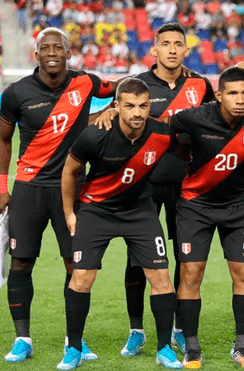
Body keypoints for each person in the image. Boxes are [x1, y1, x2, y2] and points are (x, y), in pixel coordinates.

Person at [0, 27, 118, 363]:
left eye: (58, 47)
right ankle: (23, 339)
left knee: (75, 264)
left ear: (68, 52)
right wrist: (1, 188)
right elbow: (3, 140)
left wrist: (113, 108)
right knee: (21, 262)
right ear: (36, 54)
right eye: (45, 47)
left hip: (73, 189)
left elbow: (122, 88)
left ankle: (74, 341)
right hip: (29, 190)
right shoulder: (16, 93)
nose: (52, 52)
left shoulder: (88, 82)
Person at [57, 77, 182, 370]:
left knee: (161, 278)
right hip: (96, 212)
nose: (137, 113)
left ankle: (164, 348)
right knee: (82, 278)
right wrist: (69, 214)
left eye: (142, 106)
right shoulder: (95, 135)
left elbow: (184, 152)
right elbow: (69, 171)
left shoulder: (162, 134)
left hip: (140, 212)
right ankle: (73, 348)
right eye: (129, 106)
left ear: (150, 106)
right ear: (116, 106)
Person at [168, 67, 244, 369]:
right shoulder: (196, 116)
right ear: (219, 95)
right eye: (232, 94)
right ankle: (191, 348)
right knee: (191, 274)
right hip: (196, 206)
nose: (240, 99)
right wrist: (184, 152)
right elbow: (163, 128)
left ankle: (242, 347)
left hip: (239, 207)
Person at [118, 22, 214, 357]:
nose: (172, 49)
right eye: (166, 44)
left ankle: (175, 325)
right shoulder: (138, 85)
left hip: (186, 184)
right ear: (154, 50)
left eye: (178, 44)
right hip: (143, 185)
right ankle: (136, 329)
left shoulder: (201, 85)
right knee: (137, 258)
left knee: (183, 255)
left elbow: (215, 123)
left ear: (187, 50)